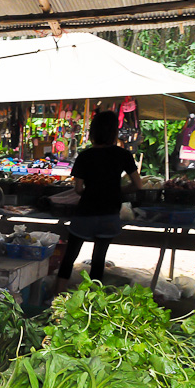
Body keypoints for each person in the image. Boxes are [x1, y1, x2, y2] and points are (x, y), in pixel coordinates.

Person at [56, 111, 142, 292]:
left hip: (85, 214)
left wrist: (93, 190)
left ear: (93, 132)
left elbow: (79, 189)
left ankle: (56, 296)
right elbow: (138, 185)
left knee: (70, 257)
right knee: (98, 260)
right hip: (109, 215)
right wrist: (117, 191)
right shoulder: (123, 155)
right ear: (114, 133)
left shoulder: (85, 156)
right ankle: (92, 301)